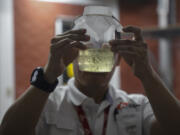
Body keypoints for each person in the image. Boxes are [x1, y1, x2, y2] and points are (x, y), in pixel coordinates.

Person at [0, 26, 180, 135]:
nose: (95, 61)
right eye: (88, 52)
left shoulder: (136, 106)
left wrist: (147, 73)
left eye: (104, 54)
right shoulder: (47, 104)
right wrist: (47, 77)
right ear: (73, 57)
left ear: (117, 61)